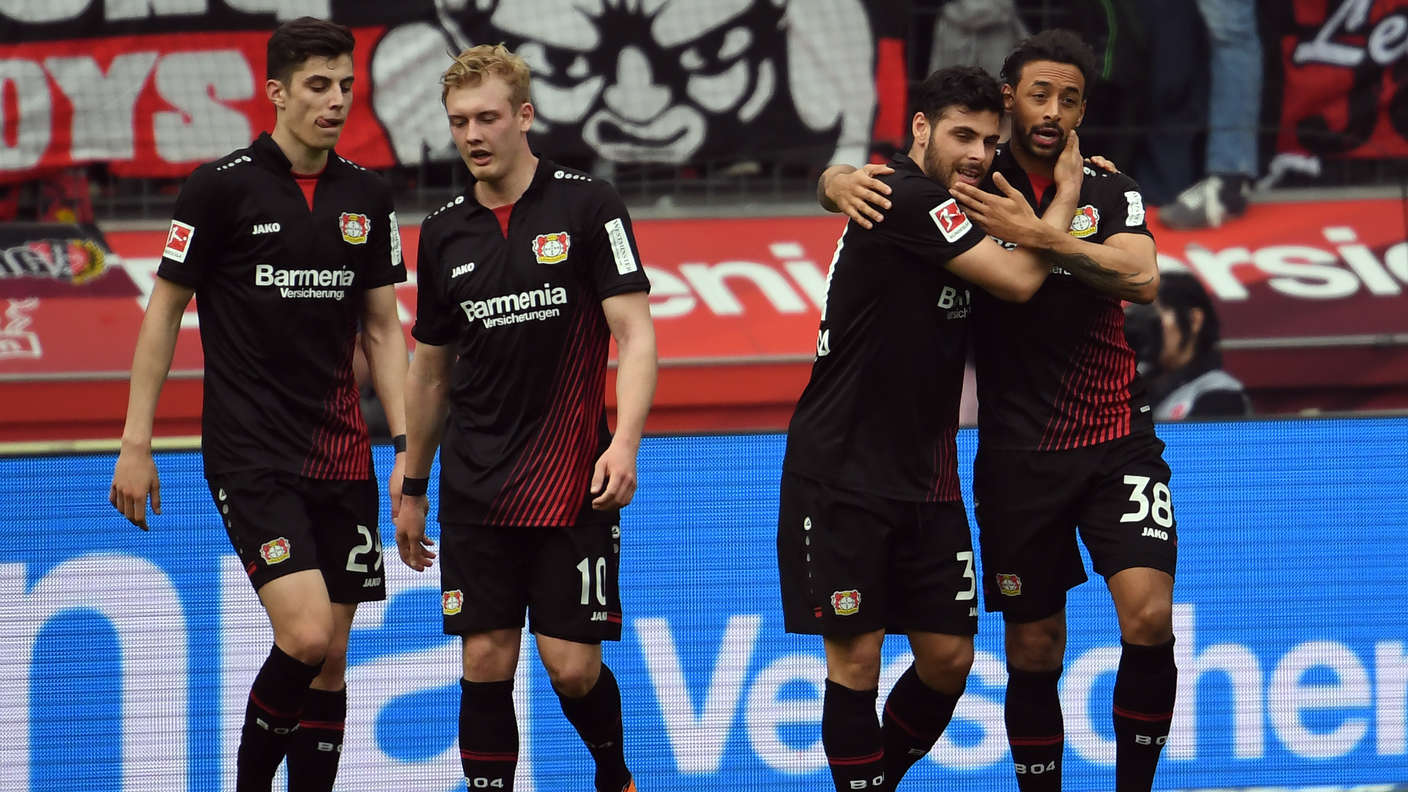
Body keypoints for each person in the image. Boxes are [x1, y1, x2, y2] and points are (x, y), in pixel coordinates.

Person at [822, 29, 1178, 792]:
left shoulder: (1107, 185)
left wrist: (1043, 235)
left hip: (1117, 436)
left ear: (1083, 110)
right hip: (1017, 455)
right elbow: (896, 179)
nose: (1053, 112)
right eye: (1039, 95)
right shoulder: (972, 179)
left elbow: (1144, 278)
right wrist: (833, 179)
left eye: (1070, 99)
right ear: (1011, 99)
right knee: (1034, 649)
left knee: (1149, 618)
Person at [107, 17, 408, 792]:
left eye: (345, 86)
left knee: (331, 658)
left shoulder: (368, 195)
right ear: (276, 91)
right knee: (304, 635)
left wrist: (408, 450)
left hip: (343, 454)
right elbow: (163, 312)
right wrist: (136, 442)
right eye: (318, 85)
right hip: (251, 455)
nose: (336, 100)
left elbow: (382, 327)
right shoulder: (218, 188)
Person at [787, 65, 1087, 792]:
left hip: (927, 473)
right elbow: (1020, 279)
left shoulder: (949, 201)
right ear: (920, 129)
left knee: (949, 660)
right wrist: (1068, 193)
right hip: (844, 469)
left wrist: (831, 181)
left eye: (988, 139)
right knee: (856, 661)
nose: (978, 154)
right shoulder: (911, 196)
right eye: (962, 136)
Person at [394, 44, 657, 792]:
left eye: (487, 117)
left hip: (572, 482)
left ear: (524, 116)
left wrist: (625, 444)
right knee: (484, 658)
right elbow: (431, 371)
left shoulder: (589, 204)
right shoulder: (442, 231)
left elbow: (636, 336)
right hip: (474, 485)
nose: (472, 135)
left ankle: (615, 776)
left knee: (571, 668)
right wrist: (413, 483)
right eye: (459, 122)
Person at [1126, 271, 1251, 419]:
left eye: (1158, 312)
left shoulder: (1220, 393)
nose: (1146, 324)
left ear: (1194, 320)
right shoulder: (1134, 380)